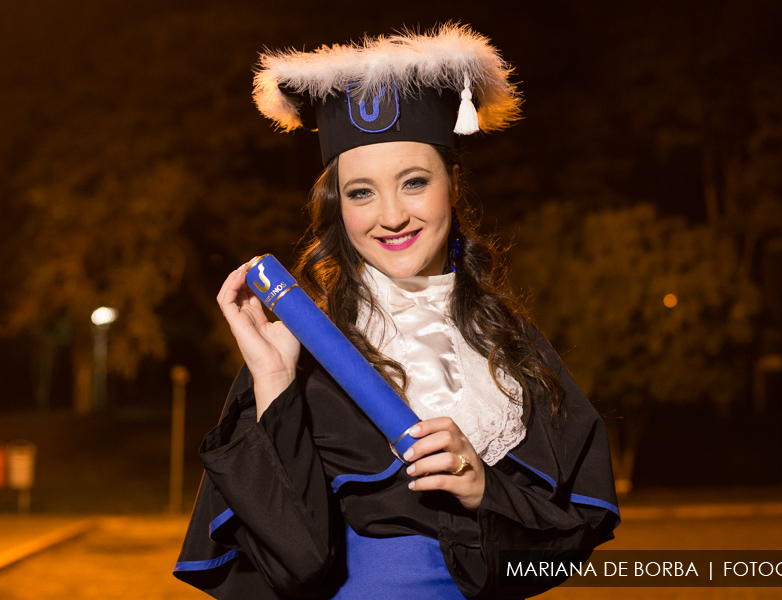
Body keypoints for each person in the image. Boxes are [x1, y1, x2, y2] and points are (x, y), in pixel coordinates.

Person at [174, 24, 619, 599]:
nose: (390, 216)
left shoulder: (511, 349)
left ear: (453, 183)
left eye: (414, 182)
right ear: (339, 205)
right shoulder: (302, 347)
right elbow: (296, 565)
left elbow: (555, 556)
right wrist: (275, 380)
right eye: (361, 192)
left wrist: (485, 490)